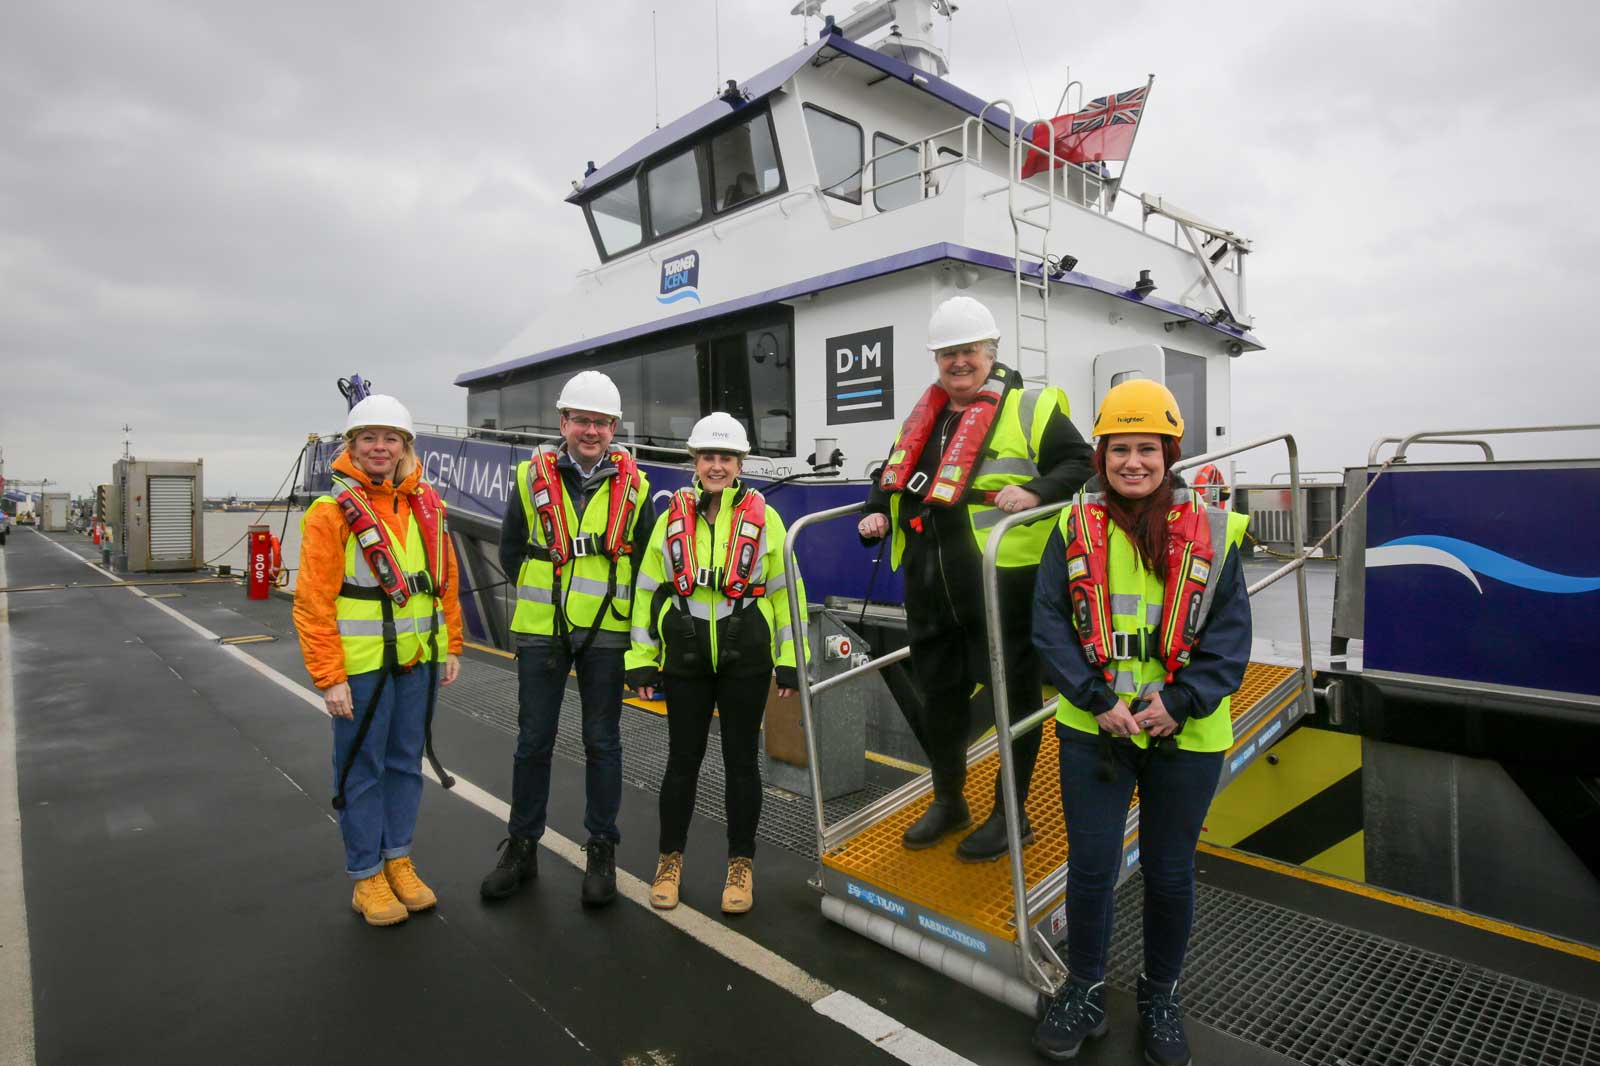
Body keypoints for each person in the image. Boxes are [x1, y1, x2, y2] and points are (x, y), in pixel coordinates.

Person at [1029, 379, 1251, 1065]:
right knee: (1091, 867)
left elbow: (1230, 639)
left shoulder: (1215, 531)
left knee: (1169, 872)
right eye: (1119, 449)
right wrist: (1099, 699)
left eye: (1146, 449)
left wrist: (1176, 703)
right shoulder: (1071, 525)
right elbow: (1048, 623)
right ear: (1100, 455)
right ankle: (1085, 988)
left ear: (1169, 453)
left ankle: (1160, 996)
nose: (1133, 463)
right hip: (1096, 730)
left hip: (1186, 735)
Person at [858, 295, 1094, 861]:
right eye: (947, 355)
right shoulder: (926, 416)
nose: (958, 363)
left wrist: (1035, 491)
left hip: (1003, 583)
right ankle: (949, 801)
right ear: (936, 361)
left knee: (1013, 698)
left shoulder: (1030, 407)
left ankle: (1009, 816)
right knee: (939, 697)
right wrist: (873, 510)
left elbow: (1080, 463)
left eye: (968, 351)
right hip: (929, 581)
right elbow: (892, 477)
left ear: (990, 352)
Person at [479, 370, 654, 908]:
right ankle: (522, 847)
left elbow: (647, 566)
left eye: (601, 422)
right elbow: (510, 549)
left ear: (613, 427)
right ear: (564, 423)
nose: (592, 431)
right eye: (582, 420)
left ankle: (601, 847)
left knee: (603, 743)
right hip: (541, 630)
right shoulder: (530, 479)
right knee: (533, 741)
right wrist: (547, 590)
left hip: (607, 630)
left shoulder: (638, 487)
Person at [625, 413, 807, 914]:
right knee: (681, 762)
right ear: (695, 461)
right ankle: (669, 862)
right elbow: (646, 591)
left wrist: (791, 660)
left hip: (744, 657)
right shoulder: (670, 520)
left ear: (740, 463)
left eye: (726, 457)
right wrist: (641, 659)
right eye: (708, 456)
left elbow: (786, 593)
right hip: (684, 656)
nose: (716, 465)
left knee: (741, 764)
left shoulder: (764, 518)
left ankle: (740, 866)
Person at [294, 394, 463, 927]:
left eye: (391, 438)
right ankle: (366, 874)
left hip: (416, 661)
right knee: (361, 771)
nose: (380, 447)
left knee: (405, 765)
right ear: (351, 446)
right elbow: (313, 602)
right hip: (360, 668)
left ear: (406, 448)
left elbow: (445, 583)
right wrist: (329, 677)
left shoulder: (426, 505)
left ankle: (399, 861)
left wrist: (451, 644)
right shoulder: (330, 513)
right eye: (369, 438)